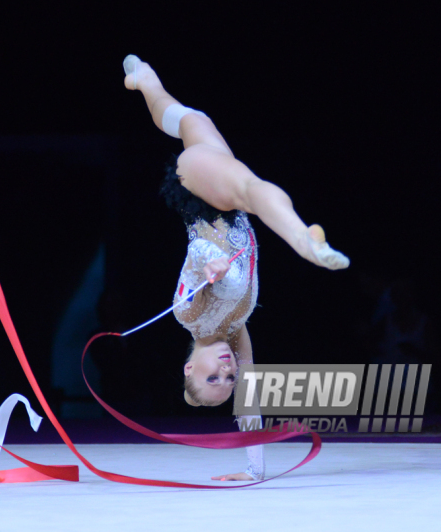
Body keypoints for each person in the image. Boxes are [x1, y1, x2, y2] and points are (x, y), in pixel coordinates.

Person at [123, 55, 349, 480]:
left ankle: (303, 240)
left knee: (249, 190)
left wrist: (211, 266)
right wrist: (253, 470)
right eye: (229, 378)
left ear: (190, 367)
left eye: (215, 378)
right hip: (222, 194)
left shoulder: (188, 315)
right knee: (193, 119)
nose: (228, 371)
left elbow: (193, 265)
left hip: (204, 195)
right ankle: (146, 82)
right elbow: (251, 404)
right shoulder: (236, 331)